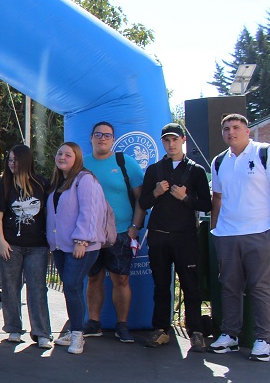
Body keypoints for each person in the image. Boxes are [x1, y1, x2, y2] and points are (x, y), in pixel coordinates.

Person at [139, 123, 212, 351]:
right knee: (161, 286)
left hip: (185, 237)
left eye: (174, 140)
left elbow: (207, 205)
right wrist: (156, 192)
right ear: (162, 142)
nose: (171, 144)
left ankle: (196, 332)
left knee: (191, 286)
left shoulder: (196, 170)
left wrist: (186, 198)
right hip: (159, 236)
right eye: (166, 140)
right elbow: (143, 203)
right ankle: (161, 330)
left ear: (183, 140)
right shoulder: (154, 170)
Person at [208, 114, 270, 361]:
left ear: (247, 131)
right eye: (226, 129)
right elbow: (217, 198)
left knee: (260, 287)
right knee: (230, 287)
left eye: (235, 127)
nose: (230, 132)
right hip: (227, 235)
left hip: (260, 232)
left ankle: (264, 338)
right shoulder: (219, 161)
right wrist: (215, 232)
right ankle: (230, 335)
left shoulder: (263, 153)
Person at [81, 121, 145, 342]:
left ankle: (122, 325)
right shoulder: (81, 164)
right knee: (94, 279)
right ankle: (94, 323)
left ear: (113, 140)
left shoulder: (126, 163)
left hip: (119, 233)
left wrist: (134, 228)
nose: (102, 138)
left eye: (107, 135)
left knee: (121, 281)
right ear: (91, 138)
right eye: (98, 134)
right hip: (90, 234)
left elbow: (141, 199)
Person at [48, 142, 107, 355]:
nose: (62, 157)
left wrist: (82, 240)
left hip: (82, 246)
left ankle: (77, 335)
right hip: (60, 247)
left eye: (68, 154)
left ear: (77, 158)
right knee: (71, 288)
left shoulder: (85, 180)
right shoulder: (59, 182)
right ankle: (75, 329)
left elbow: (90, 212)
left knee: (72, 286)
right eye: (59, 153)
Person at [0, 145, 52, 348]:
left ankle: (42, 332)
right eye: (9, 159)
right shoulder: (4, 184)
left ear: (25, 161)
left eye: (15, 160)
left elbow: (50, 213)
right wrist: (1, 240)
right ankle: (13, 328)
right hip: (11, 244)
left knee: (37, 289)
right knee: (10, 287)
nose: (11, 163)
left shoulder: (42, 184)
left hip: (38, 246)